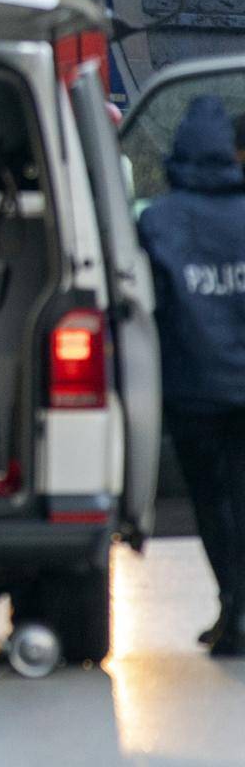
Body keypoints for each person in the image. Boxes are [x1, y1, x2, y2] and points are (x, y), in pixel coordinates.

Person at [137, 94, 245, 657]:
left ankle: (234, 604)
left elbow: (144, 305)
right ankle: (238, 609)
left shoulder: (158, 222)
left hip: (195, 392)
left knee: (212, 503)